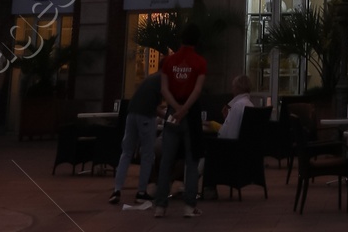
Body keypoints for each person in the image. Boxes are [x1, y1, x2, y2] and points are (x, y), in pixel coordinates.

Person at [153, 35, 208, 218]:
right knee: (192, 163)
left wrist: (175, 109)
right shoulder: (199, 62)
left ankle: (160, 206)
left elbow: (164, 89)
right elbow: (197, 90)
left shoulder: (169, 61)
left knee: (166, 162)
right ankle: (189, 206)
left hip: (172, 114)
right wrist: (184, 109)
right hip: (190, 116)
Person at [111, 72, 165, 209]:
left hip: (131, 114)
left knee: (126, 153)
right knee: (147, 154)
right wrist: (169, 116)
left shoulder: (151, 79)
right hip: (146, 116)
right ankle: (141, 192)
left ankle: (116, 190)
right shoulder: (165, 80)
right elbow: (154, 107)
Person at [215, 72, 261, 140]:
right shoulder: (250, 105)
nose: (232, 90)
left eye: (233, 87)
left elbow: (231, 136)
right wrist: (227, 118)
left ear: (237, 88)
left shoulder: (237, 106)